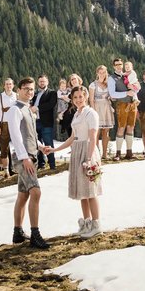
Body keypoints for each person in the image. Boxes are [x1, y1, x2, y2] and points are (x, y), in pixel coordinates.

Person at [44, 85, 102, 238]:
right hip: (77, 150)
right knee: (82, 191)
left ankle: (96, 224)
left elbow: (92, 137)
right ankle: (87, 223)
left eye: (80, 97)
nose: (78, 100)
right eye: (75, 97)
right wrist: (54, 150)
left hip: (87, 150)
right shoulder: (76, 114)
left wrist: (89, 159)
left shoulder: (91, 113)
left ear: (86, 96)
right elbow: (72, 138)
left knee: (90, 190)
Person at [6, 77, 50, 249]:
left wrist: (40, 147)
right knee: (36, 192)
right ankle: (35, 234)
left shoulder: (29, 110)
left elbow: (31, 134)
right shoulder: (15, 110)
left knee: (23, 195)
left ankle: (17, 232)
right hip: (22, 158)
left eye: (32, 89)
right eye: (26, 89)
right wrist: (24, 158)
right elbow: (15, 136)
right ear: (19, 90)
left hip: (31, 155)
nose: (29, 92)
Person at [108, 58, 137, 160]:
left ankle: (129, 152)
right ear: (113, 66)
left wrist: (135, 91)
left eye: (120, 64)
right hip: (121, 104)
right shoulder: (111, 78)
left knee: (130, 127)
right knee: (121, 128)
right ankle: (118, 153)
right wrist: (126, 93)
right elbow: (112, 93)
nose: (119, 66)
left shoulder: (128, 75)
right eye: (116, 64)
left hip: (132, 104)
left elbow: (136, 86)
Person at [31, 74, 58, 170]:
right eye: (40, 81)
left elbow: (50, 105)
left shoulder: (52, 93)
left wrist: (37, 108)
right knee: (37, 144)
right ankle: (41, 164)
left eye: (44, 81)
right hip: (35, 122)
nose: (42, 83)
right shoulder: (34, 94)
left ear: (47, 82)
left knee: (48, 143)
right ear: (38, 82)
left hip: (46, 122)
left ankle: (52, 164)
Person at [88, 66, 114, 159]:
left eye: (104, 72)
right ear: (97, 73)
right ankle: (96, 153)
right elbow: (91, 99)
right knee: (96, 132)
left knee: (106, 132)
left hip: (106, 107)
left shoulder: (108, 84)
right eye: (100, 72)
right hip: (97, 108)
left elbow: (112, 96)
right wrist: (94, 111)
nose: (102, 74)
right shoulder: (93, 84)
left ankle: (104, 154)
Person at [0, 78, 17, 175]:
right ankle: (6, 171)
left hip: (15, 123)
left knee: (19, 145)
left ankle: (19, 167)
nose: (8, 86)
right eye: (7, 84)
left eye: (10, 84)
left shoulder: (16, 96)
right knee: (4, 148)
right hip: (4, 124)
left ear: (13, 85)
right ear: (4, 86)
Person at [59, 73, 81, 140]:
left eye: (75, 79)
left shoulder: (82, 89)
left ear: (78, 79)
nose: (73, 80)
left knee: (79, 136)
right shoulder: (69, 91)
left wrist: (69, 100)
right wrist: (61, 112)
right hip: (69, 115)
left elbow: (82, 102)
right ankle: (73, 150)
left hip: (79, 114)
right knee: (71, 136)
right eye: (72, 80)